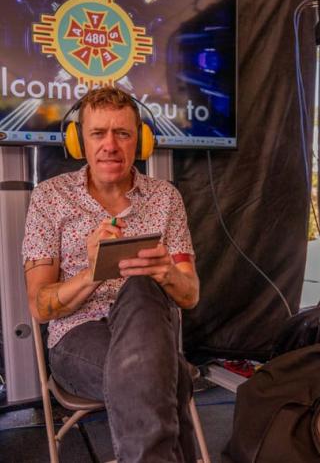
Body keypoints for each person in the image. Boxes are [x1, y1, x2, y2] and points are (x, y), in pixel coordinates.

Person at [22, 86, 199, 462]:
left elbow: (189, 295)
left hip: (149, 325)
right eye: (98, 133)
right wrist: (94, 271)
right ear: (77, 141)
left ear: (141, 140)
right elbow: (40, 307)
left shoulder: (165, 198)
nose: (110, 146)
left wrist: (166, 271)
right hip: (77, 336)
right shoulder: (50, 198)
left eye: (122, 133)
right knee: (173, 377)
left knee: (141, 288)